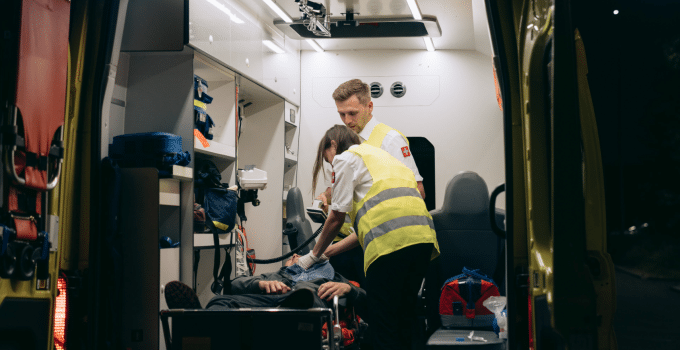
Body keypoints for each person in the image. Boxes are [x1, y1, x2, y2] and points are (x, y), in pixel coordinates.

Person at [300, 125, 440, 350]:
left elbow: (336, 217)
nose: (332, 165)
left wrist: (312, 256)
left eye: (329, 160)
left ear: (333, 145)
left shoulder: (346, 158)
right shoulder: (384, 158)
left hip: (390, 247)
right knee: (404, 317)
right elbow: (368, 228)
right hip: (422, 241)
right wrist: (328, 252)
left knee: (382, 323)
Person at [316, 79, 427, 286]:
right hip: (355, 241)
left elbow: (417, 192)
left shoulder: (389, 140)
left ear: (369, 107)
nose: (347, 120)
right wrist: (328, 195)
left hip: (383, 241)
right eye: (341, 114)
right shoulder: (349, 141)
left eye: (352, 113)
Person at [164, 254, 365, 310]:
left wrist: (348, 288)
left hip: (307, 303)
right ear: (291, 258)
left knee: (306, 295)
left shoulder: (328, 275)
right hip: (265, 305)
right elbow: (231, 286)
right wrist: (260, 285)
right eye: (296, 257)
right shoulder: (275, 276)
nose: (298, 258)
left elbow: (367, 299)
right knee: (220, 302)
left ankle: (290, 308)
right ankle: (200, 320)